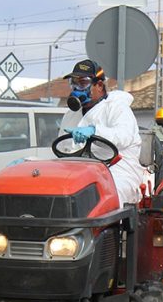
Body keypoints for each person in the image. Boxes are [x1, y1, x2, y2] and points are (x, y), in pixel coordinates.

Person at [59, 59, 145, 205]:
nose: (76, 89)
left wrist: (95, 131)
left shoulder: (117, 108)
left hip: (117, 172)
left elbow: (123, 136)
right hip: (78, 172)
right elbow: (62, 148)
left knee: (98, 196)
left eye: (82, 83)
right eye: (73, 83)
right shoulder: (70, 115)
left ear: (99, 85)